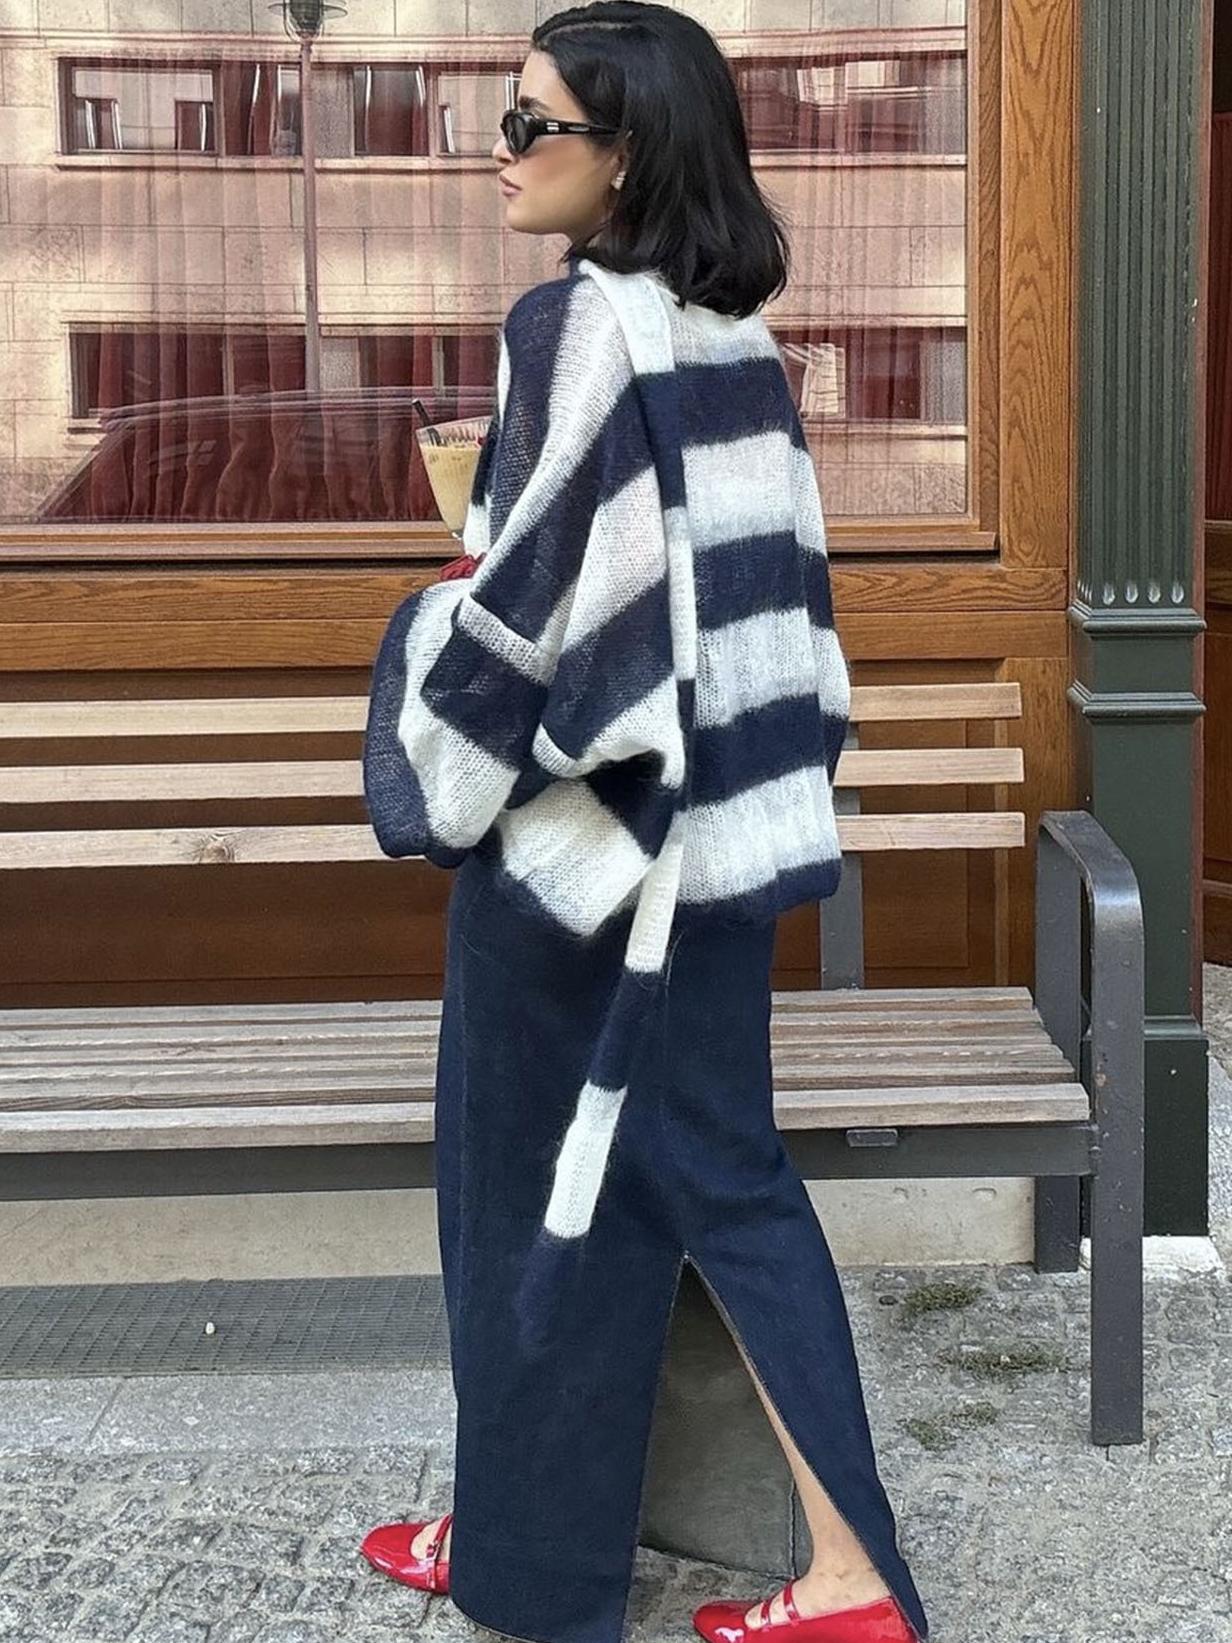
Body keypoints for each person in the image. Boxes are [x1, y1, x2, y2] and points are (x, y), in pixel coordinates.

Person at [358, 6, 930, 1643]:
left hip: (587, 865)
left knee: (526, 1191)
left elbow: (530, 614)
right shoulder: (733, 336)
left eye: (530, 126)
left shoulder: (574, 326)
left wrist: (427, 671)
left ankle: (825, 1578)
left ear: (625, 156)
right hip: (720, 850)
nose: (498, 154)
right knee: (695, 1182)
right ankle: (538, 1543)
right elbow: (759, 607)